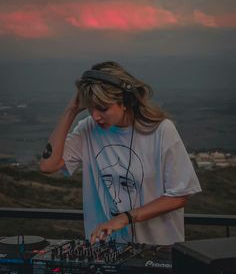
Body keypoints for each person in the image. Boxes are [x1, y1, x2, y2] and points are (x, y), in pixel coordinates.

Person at [40, 61, 201, 246]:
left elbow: (180, 195)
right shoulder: (88, 129)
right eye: (91, 108)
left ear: (126, 102)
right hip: (106, 251)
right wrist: (71, 110)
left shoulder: (161, 130)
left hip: (157, 250)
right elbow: (48, 166)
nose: (95, 116)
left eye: (103, 108)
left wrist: (124, 218)